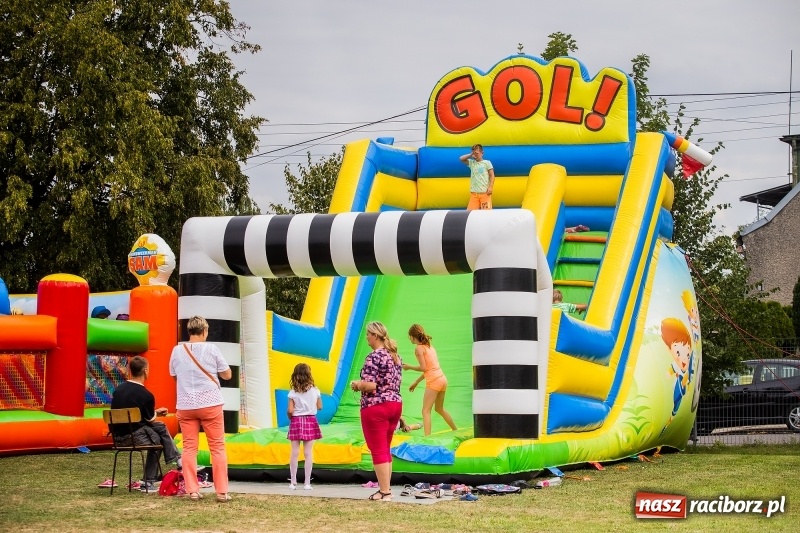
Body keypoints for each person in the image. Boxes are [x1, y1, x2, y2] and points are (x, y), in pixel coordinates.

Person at [169, 316, 232, 502]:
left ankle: (193, 490)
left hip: (186, 405)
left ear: (189, 331)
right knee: (217, 447)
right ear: (204, 331)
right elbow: (227, 374)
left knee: (189, 448)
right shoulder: (211, 349)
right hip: (210, 403)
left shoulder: (176, 350)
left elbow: (174, 375)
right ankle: (221, 491)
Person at [109, 355, 181, 492]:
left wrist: (155, 413)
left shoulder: (118, 390)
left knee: (160, 428)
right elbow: (150, 420)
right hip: (133, 437)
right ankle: (149, 480)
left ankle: (177, 459)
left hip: (117, 437)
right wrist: (156, 414)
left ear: (130, 370)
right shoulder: (146, 395)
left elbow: (137, 415)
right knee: (158, 440)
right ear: (146, 371)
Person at [350, 321, 402, 501]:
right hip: (395, 404)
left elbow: (371, 385)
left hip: (376, 406)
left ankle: (385, 492)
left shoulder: (374, 356)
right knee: (385, 448)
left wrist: (357, 385)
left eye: (368, 334)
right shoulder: (395, 357)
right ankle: (385, 488)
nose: (366, 338)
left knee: (378, 449)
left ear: (375, 335)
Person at [402, 324, 458, 436]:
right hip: (442, 379)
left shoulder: (418, 349)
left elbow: (424, 368)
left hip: (434, 381)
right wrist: (416, 382)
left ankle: (427, 437)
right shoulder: (429, 346)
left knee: (425, 411)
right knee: (439, 409)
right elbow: (430, 368)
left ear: (413, 337)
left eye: (410, 337)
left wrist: (408, 367)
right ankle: (455, 430)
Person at [287, 363, 322, 490]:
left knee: (295, 452)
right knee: (308, 453)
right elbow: (320, 406)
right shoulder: (315, 391)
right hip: (310, 420)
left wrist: (291, 417)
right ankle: (307, 483)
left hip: (296, 420)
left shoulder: (292, 393)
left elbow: (290, 410)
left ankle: (293, 481)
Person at [459, 144, 495, 210]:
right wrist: (470, 154)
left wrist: (490, 187)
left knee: (486, 213)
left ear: (482, 153)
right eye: (474, 153)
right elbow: (461, 159)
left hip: (485, 193)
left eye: (477, 153)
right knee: (470, 213)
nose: (475, 156)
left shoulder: (487, 163)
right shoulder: (472, 163)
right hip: (474, 194)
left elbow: (492, 175)